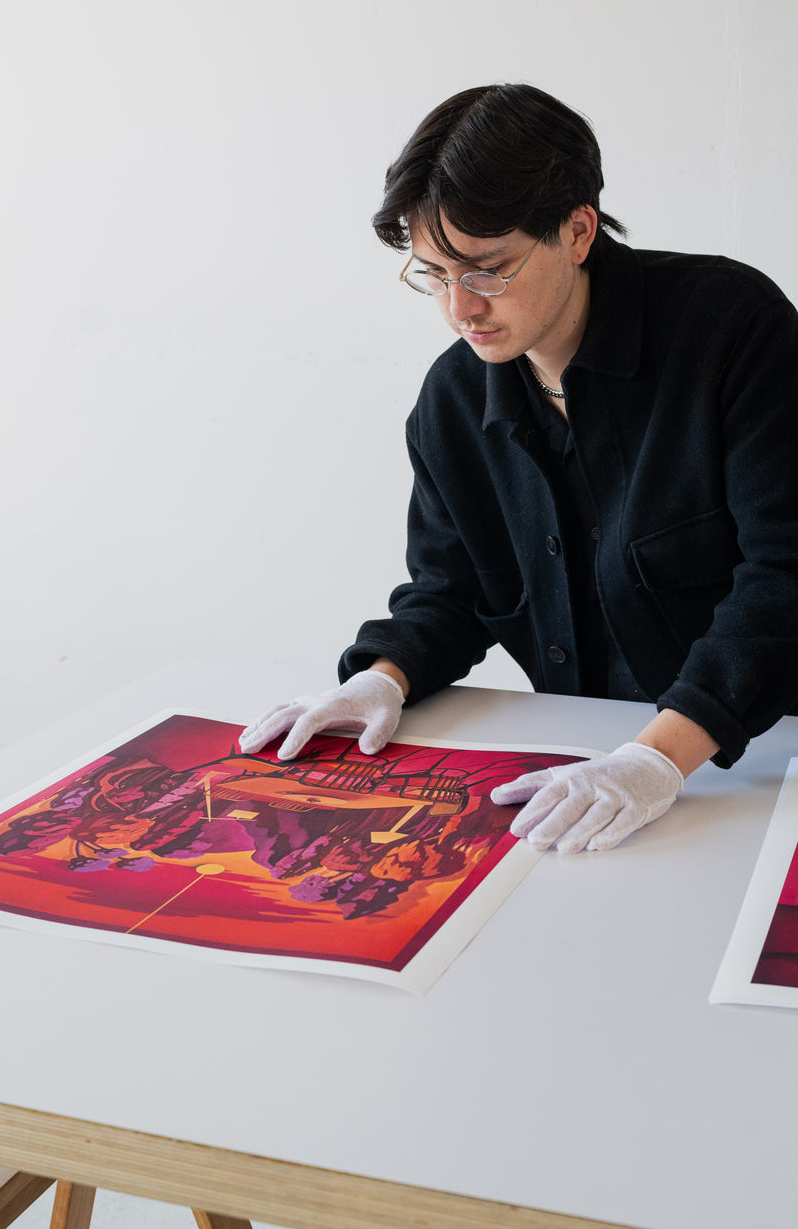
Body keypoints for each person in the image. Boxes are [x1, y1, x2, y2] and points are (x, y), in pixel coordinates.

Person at [240, 83, 798, 854]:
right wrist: (382, 676)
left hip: (760, 767)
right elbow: (451, 589)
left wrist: (655, 757)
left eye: (487, 269)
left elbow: (786, 573)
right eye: (433, 274)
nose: (459, 309)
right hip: (581, 775)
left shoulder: (733, 327)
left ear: (577, 230)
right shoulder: (454, 397)